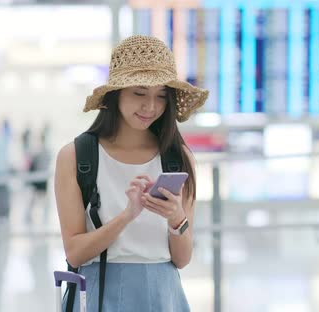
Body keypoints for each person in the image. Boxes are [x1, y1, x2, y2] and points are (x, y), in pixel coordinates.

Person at [54, 35, 208, 312]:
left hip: (164, 294)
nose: (151, 107)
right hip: (99, 294)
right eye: (139, 93)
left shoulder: (178, 158)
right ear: (116, 94)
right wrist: (127, 216)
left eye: (161, 96)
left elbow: (182, 259)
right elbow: (75, 252)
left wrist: (176, 219)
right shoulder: (77, 156)